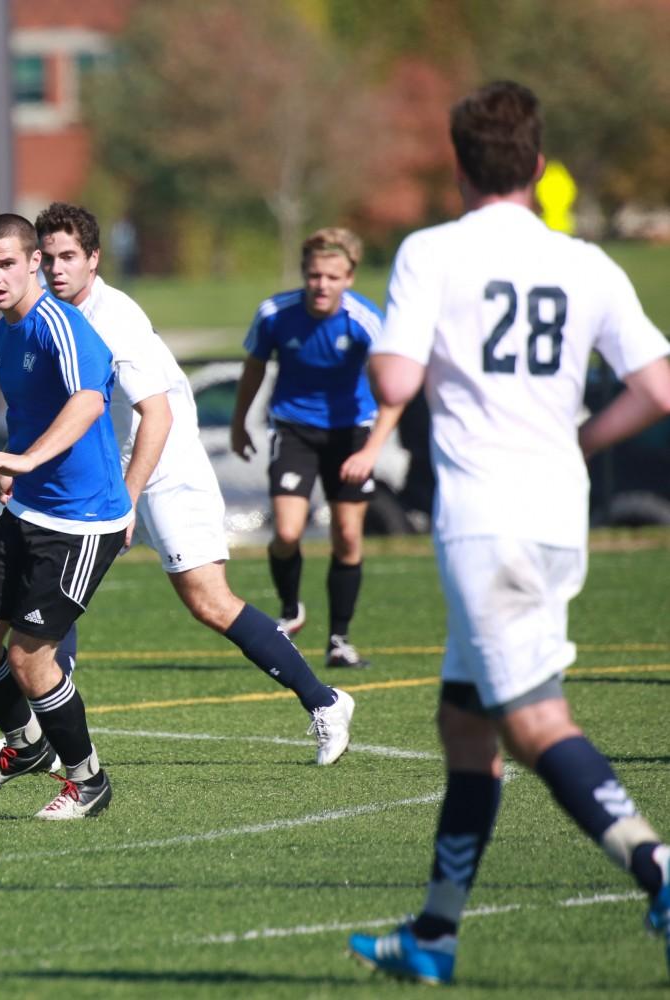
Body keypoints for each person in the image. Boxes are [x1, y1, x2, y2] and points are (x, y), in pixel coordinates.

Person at [348, 80, 670, 985]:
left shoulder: (432, 253)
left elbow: (398, 378)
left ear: (459, 167)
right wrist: (581, 435)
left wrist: (393, 359)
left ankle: (657, 866)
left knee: (531, 723)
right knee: (466, 727)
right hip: (559, 513)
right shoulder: (588, 264)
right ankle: (435, 936)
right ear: (535, 166)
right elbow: (658, 388)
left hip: (487, 520)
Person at [0, 202, 354, 767]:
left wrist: (126, 500)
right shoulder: (43, 315)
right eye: (48, 258)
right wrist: (19, 463)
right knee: (44, 595)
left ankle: (325, 701)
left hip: (165, 467)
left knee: (208, 600)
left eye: (69, 257)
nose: (56, 269)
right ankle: (46, 736)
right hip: (101, 472)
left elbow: (158, 417)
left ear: (94, 260)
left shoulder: (114, 318)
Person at [0, 212, 133, 820]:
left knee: (32, 659)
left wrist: (22, 459)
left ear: (34, 262)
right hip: (29, 507)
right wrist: (13, 468)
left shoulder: (58, 323)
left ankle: (87, 781)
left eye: (7, 264)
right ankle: (26, 747)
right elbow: (32, 406)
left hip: (81, 520)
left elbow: (87, 401)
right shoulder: (7, 331)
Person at [230, 228, 403, 668]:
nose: (321, 285)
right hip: (294, 430)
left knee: (347, 536)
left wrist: (370, 452)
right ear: (304, 274)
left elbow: (394, 394)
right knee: (287, 532)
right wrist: (240, 423)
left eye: (332, 276)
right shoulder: (274, 314)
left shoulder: (367, 321)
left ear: (349, 278)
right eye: (313, 275)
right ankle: (290, 612)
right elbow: (254, 367)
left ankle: (339, 641)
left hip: (351, 435)